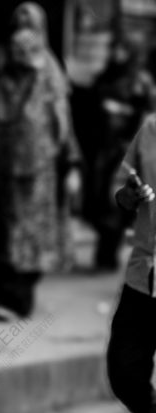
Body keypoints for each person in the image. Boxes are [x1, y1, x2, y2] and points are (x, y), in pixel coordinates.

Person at [0, 27, 80, 321]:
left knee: (29, 239)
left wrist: (71, 165)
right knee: (1, 235)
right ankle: (0, 297)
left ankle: (19, 299)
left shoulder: (49, 84)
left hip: (38, 176)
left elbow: (63, 128)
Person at [106, 113, 156, 413]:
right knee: (124, 373)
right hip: (143, 277)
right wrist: (131, 195)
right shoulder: (151, 130)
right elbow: (120, 195)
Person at [83, 34, 156, 272]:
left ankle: (107, 254)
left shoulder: (141, 81)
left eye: (121, 49)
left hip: (123, 152)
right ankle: (106, 250)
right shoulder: (106, 76)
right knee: (95, 200)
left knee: (112, 202)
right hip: (100, 149)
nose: (116, 53)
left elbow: (147, 117)